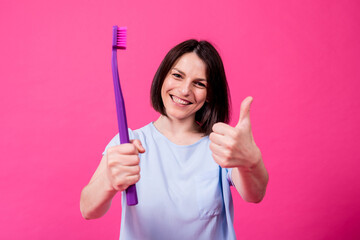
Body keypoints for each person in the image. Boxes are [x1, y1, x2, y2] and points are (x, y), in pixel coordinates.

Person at [80, 39, 268, 240]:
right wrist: (109, 180)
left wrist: (252, 160)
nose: (185, 90)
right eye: (177, 76)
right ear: (163, 77)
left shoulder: (222, 146)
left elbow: (254, 194)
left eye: (199, 83)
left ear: (210, 94)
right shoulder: (129, 143)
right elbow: (88, 209)